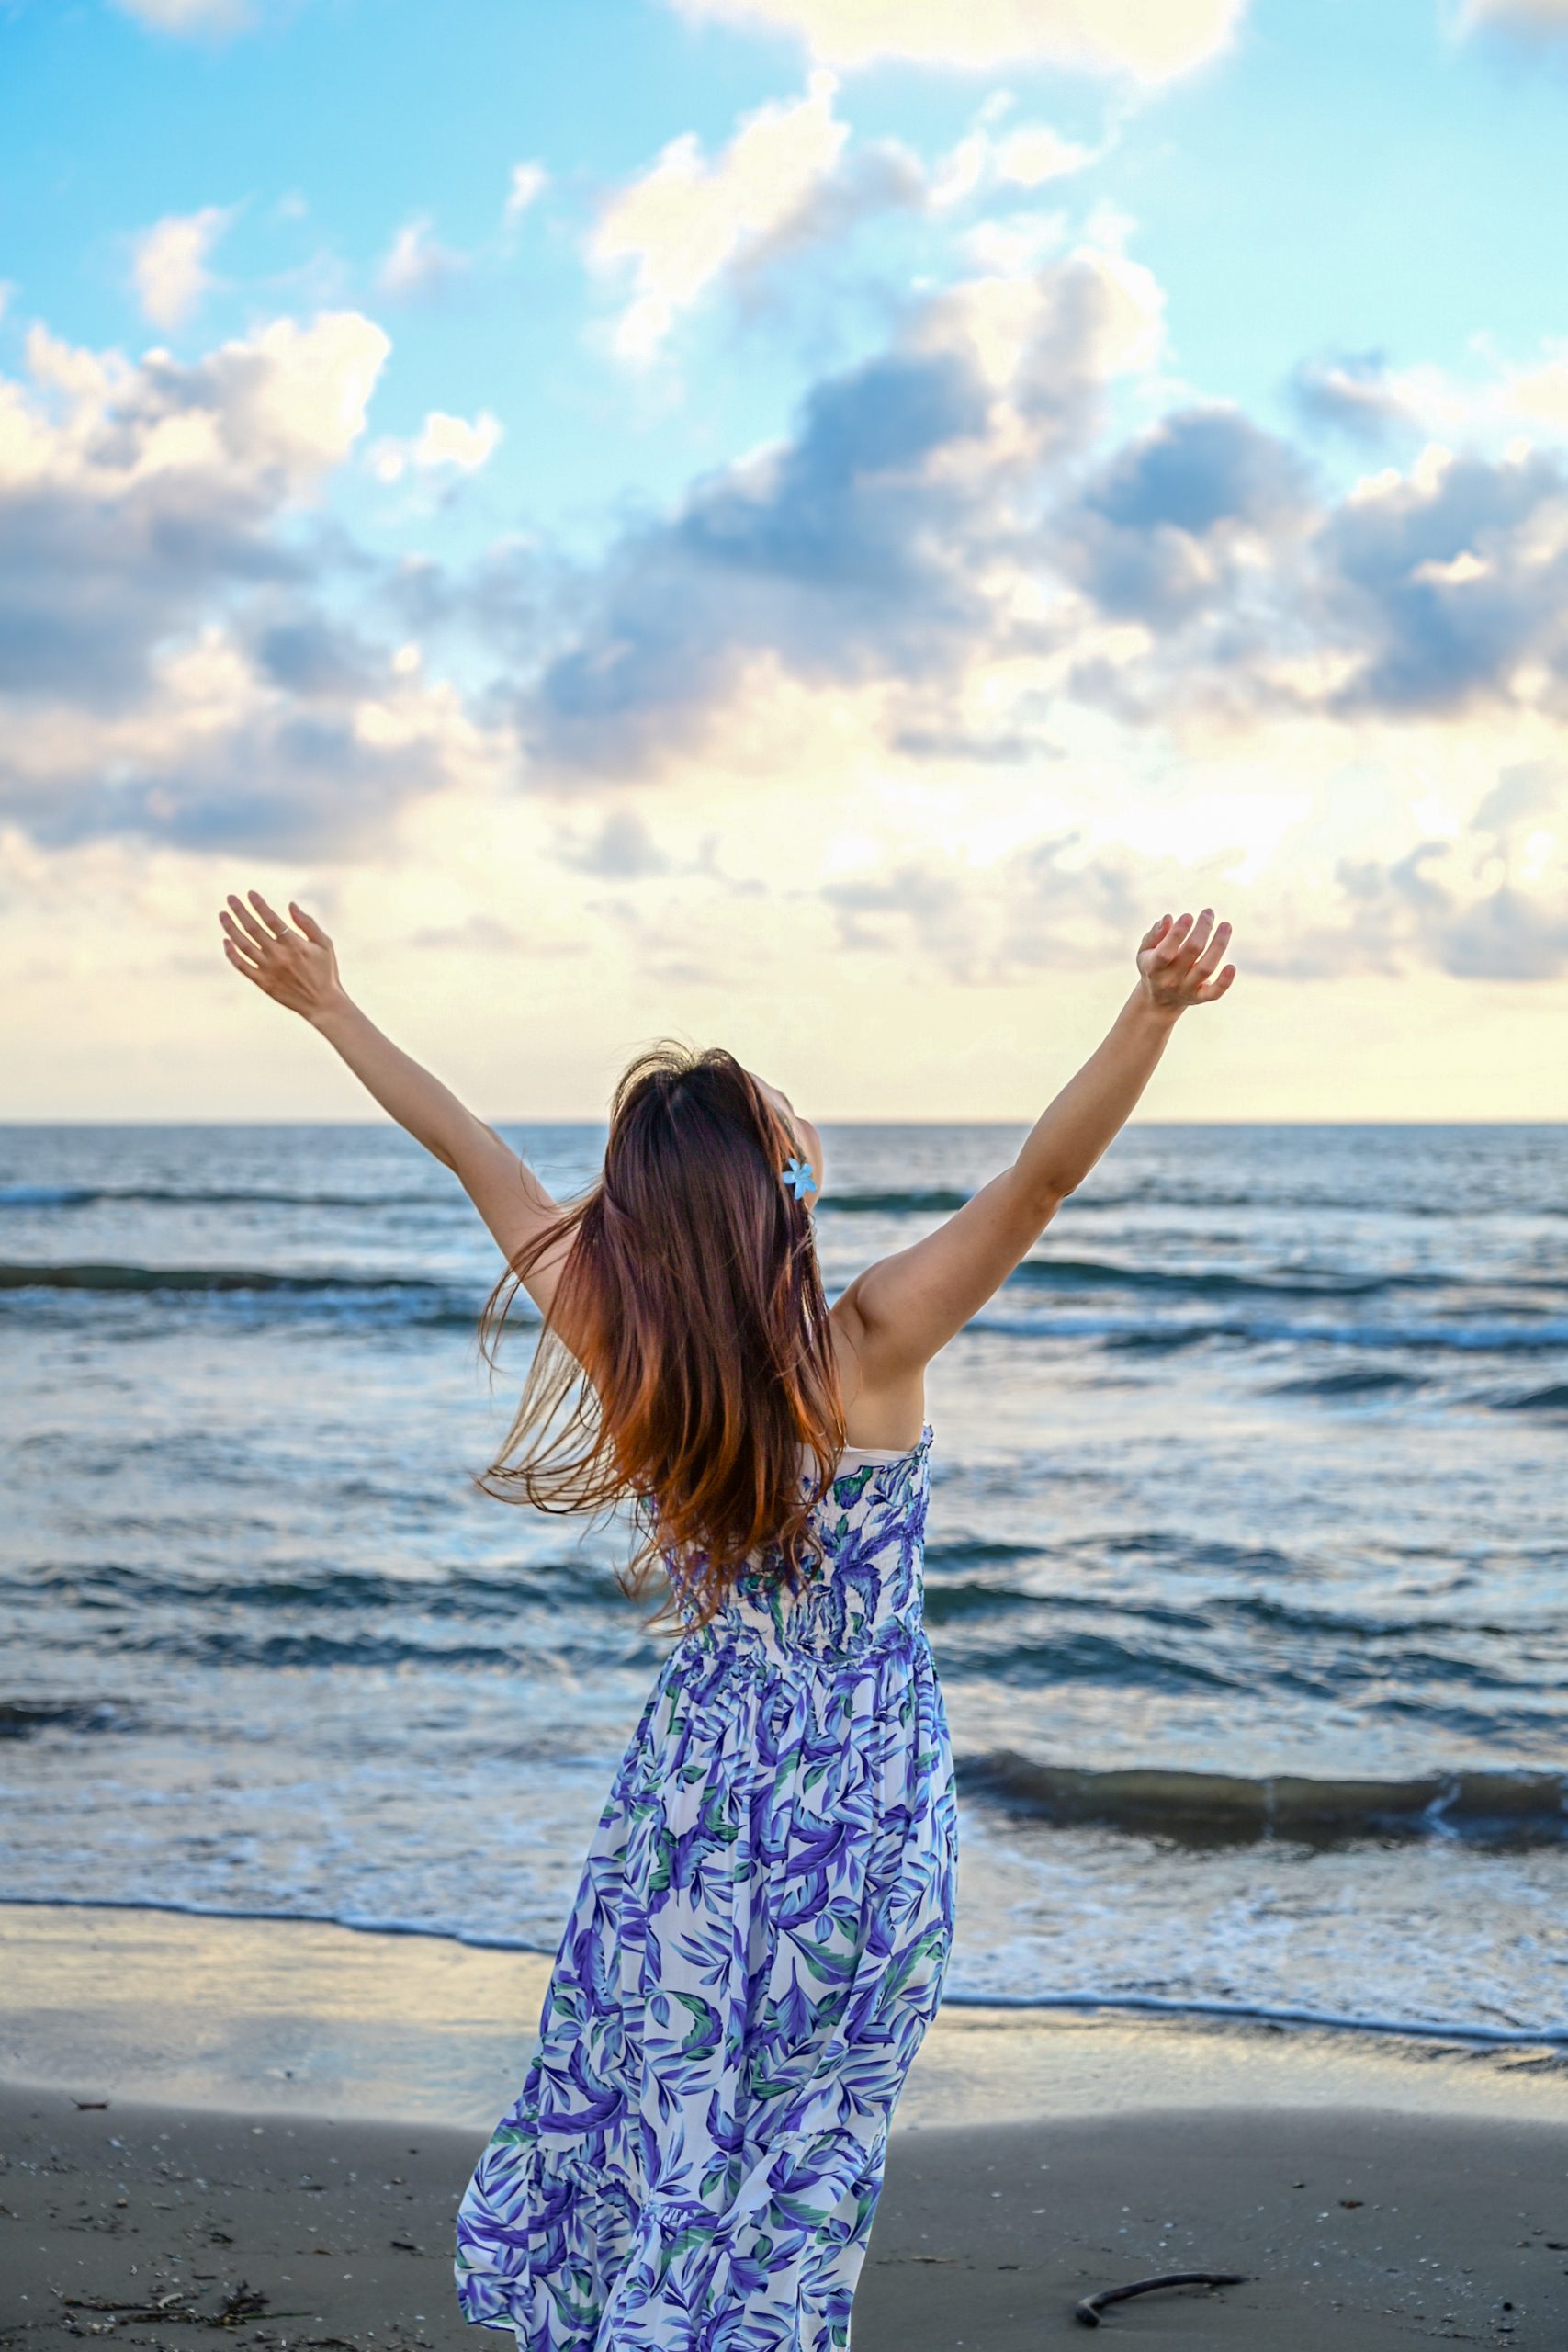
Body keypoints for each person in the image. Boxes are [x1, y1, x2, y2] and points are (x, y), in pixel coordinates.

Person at [219, 888, 1235, 2349]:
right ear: (786, 1180)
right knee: (813, 2129)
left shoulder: (625, 1337)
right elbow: (1040, 1185)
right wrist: (1150, 1013)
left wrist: (328, 1006)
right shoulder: (874, 1343)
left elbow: (471, 1152)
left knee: (671, 2100)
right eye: (784, 1115)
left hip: (695, 1788)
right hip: (862, 1799)